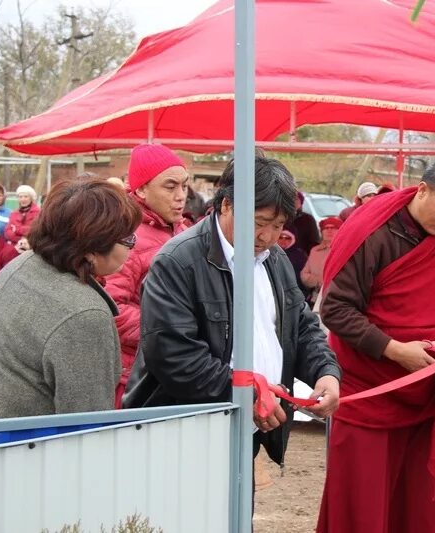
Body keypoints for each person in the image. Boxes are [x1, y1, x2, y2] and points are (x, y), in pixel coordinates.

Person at [122, 155, 341, 470]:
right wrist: (245, 393)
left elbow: (302, 328)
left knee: (237, 516)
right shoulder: (178, 261)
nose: (266, 236)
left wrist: (325, 372)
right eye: (258, 222)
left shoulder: (274, 259)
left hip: (248, 428)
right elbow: (172, 354)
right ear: (225, 205)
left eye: (277, 226)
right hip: (185, 430)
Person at [317, 159, 435, 533]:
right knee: (362, 503)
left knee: (417, 506)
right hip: (369, 389)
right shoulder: (372, 231)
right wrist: (396, 350)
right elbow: (335, 309)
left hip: (425, 393)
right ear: (422, 189)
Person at [0, 177, 142, 422]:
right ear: (93, 245)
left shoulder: (22, 266)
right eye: (128, 240)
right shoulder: (84, 314)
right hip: (16, 450)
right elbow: (88, 425)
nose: (133, 247)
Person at [104, 143, 190, 408]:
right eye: (170, 186)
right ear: (141, 189)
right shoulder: (124, 237)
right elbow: (110, 308)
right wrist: (169, 330)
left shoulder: (185, 230)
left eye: (185, 186)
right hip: (133, 377)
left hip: (176, 367)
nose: (180, 196)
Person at [300, 216, 342, 309]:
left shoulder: (344, 251)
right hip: (315, 299)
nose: (329, 231)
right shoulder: (315, 251)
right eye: (326, 228)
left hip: (338, 300)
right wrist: (320, 281)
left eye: (333, 228)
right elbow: (304, 275)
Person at [5, 184, 41, 252]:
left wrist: (16, 229)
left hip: (31, 248)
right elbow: (7, 232)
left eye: (26, 196)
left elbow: (34, 230)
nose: (23, 199)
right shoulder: (14, 213)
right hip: (14, 248)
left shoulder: (38, 212)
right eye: (20, 197)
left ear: (31, 198)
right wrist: (20, 238)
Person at [278, 229, 310, 300]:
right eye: (280, 237)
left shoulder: (300, 255)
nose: (283, 240)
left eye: (287, 238)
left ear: (293, 239)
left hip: (294, 294)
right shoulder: (269, 254)